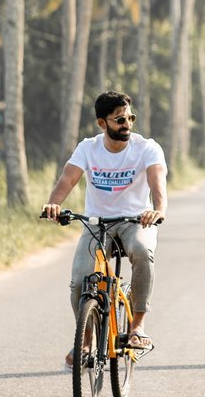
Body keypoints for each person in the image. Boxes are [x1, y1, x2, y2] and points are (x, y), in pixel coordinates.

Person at [42, 90, 167, 368]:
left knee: (141, 251)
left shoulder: (147, 148)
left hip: (137, 220)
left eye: (130, 118)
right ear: (102, 123)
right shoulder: (88, 148)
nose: (127, 124)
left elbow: (158, 185)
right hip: (96, 223)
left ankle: (137, 327)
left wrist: (157, 210)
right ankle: (85, 341)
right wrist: (53, 204)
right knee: (78, 282)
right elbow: (67, 179)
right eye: (119, 119)